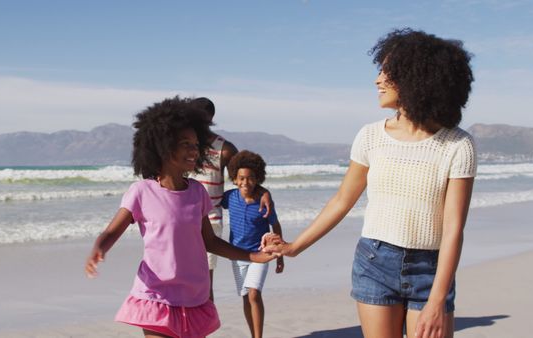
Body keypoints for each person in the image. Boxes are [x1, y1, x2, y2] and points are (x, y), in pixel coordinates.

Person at [262, 28, 476, 338]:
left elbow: (453, 227)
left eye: (387, 73)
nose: (377, 81)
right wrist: (295, 247)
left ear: (417, 78)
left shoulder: (458, 144)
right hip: (375, 262)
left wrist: (437, 299)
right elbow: (341, 200)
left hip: (431, 268)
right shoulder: (370, 136)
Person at [84, 96, 276, 338]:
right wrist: (99, 248)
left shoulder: (197, 192)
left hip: (195, 296)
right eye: (185, 143)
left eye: (196, 144)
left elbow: (211, 242)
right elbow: (112, 231)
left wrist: (254, 256)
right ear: (163, 146)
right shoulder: (141, 192)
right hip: (156, 294)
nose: (194, 150)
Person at [189, 97, 273, 302]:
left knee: (204, 281)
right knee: (185, 279)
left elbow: (243, 177)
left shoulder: (224, 149)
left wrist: (263, 192)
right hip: (181, 220)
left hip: (210, 220)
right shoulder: (185, 146)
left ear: (210, 119)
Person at [221, 150, 284, 338]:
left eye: (250, 178)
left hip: (261, 254)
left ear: (258, 179)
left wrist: (280, 256)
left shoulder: (264, 202)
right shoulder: (230, 197)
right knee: (245, 297)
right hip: (237, 255)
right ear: (234, 178)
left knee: (254, 293)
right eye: (241, 178)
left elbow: (275, 225)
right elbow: (211, 198)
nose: (245, 183)